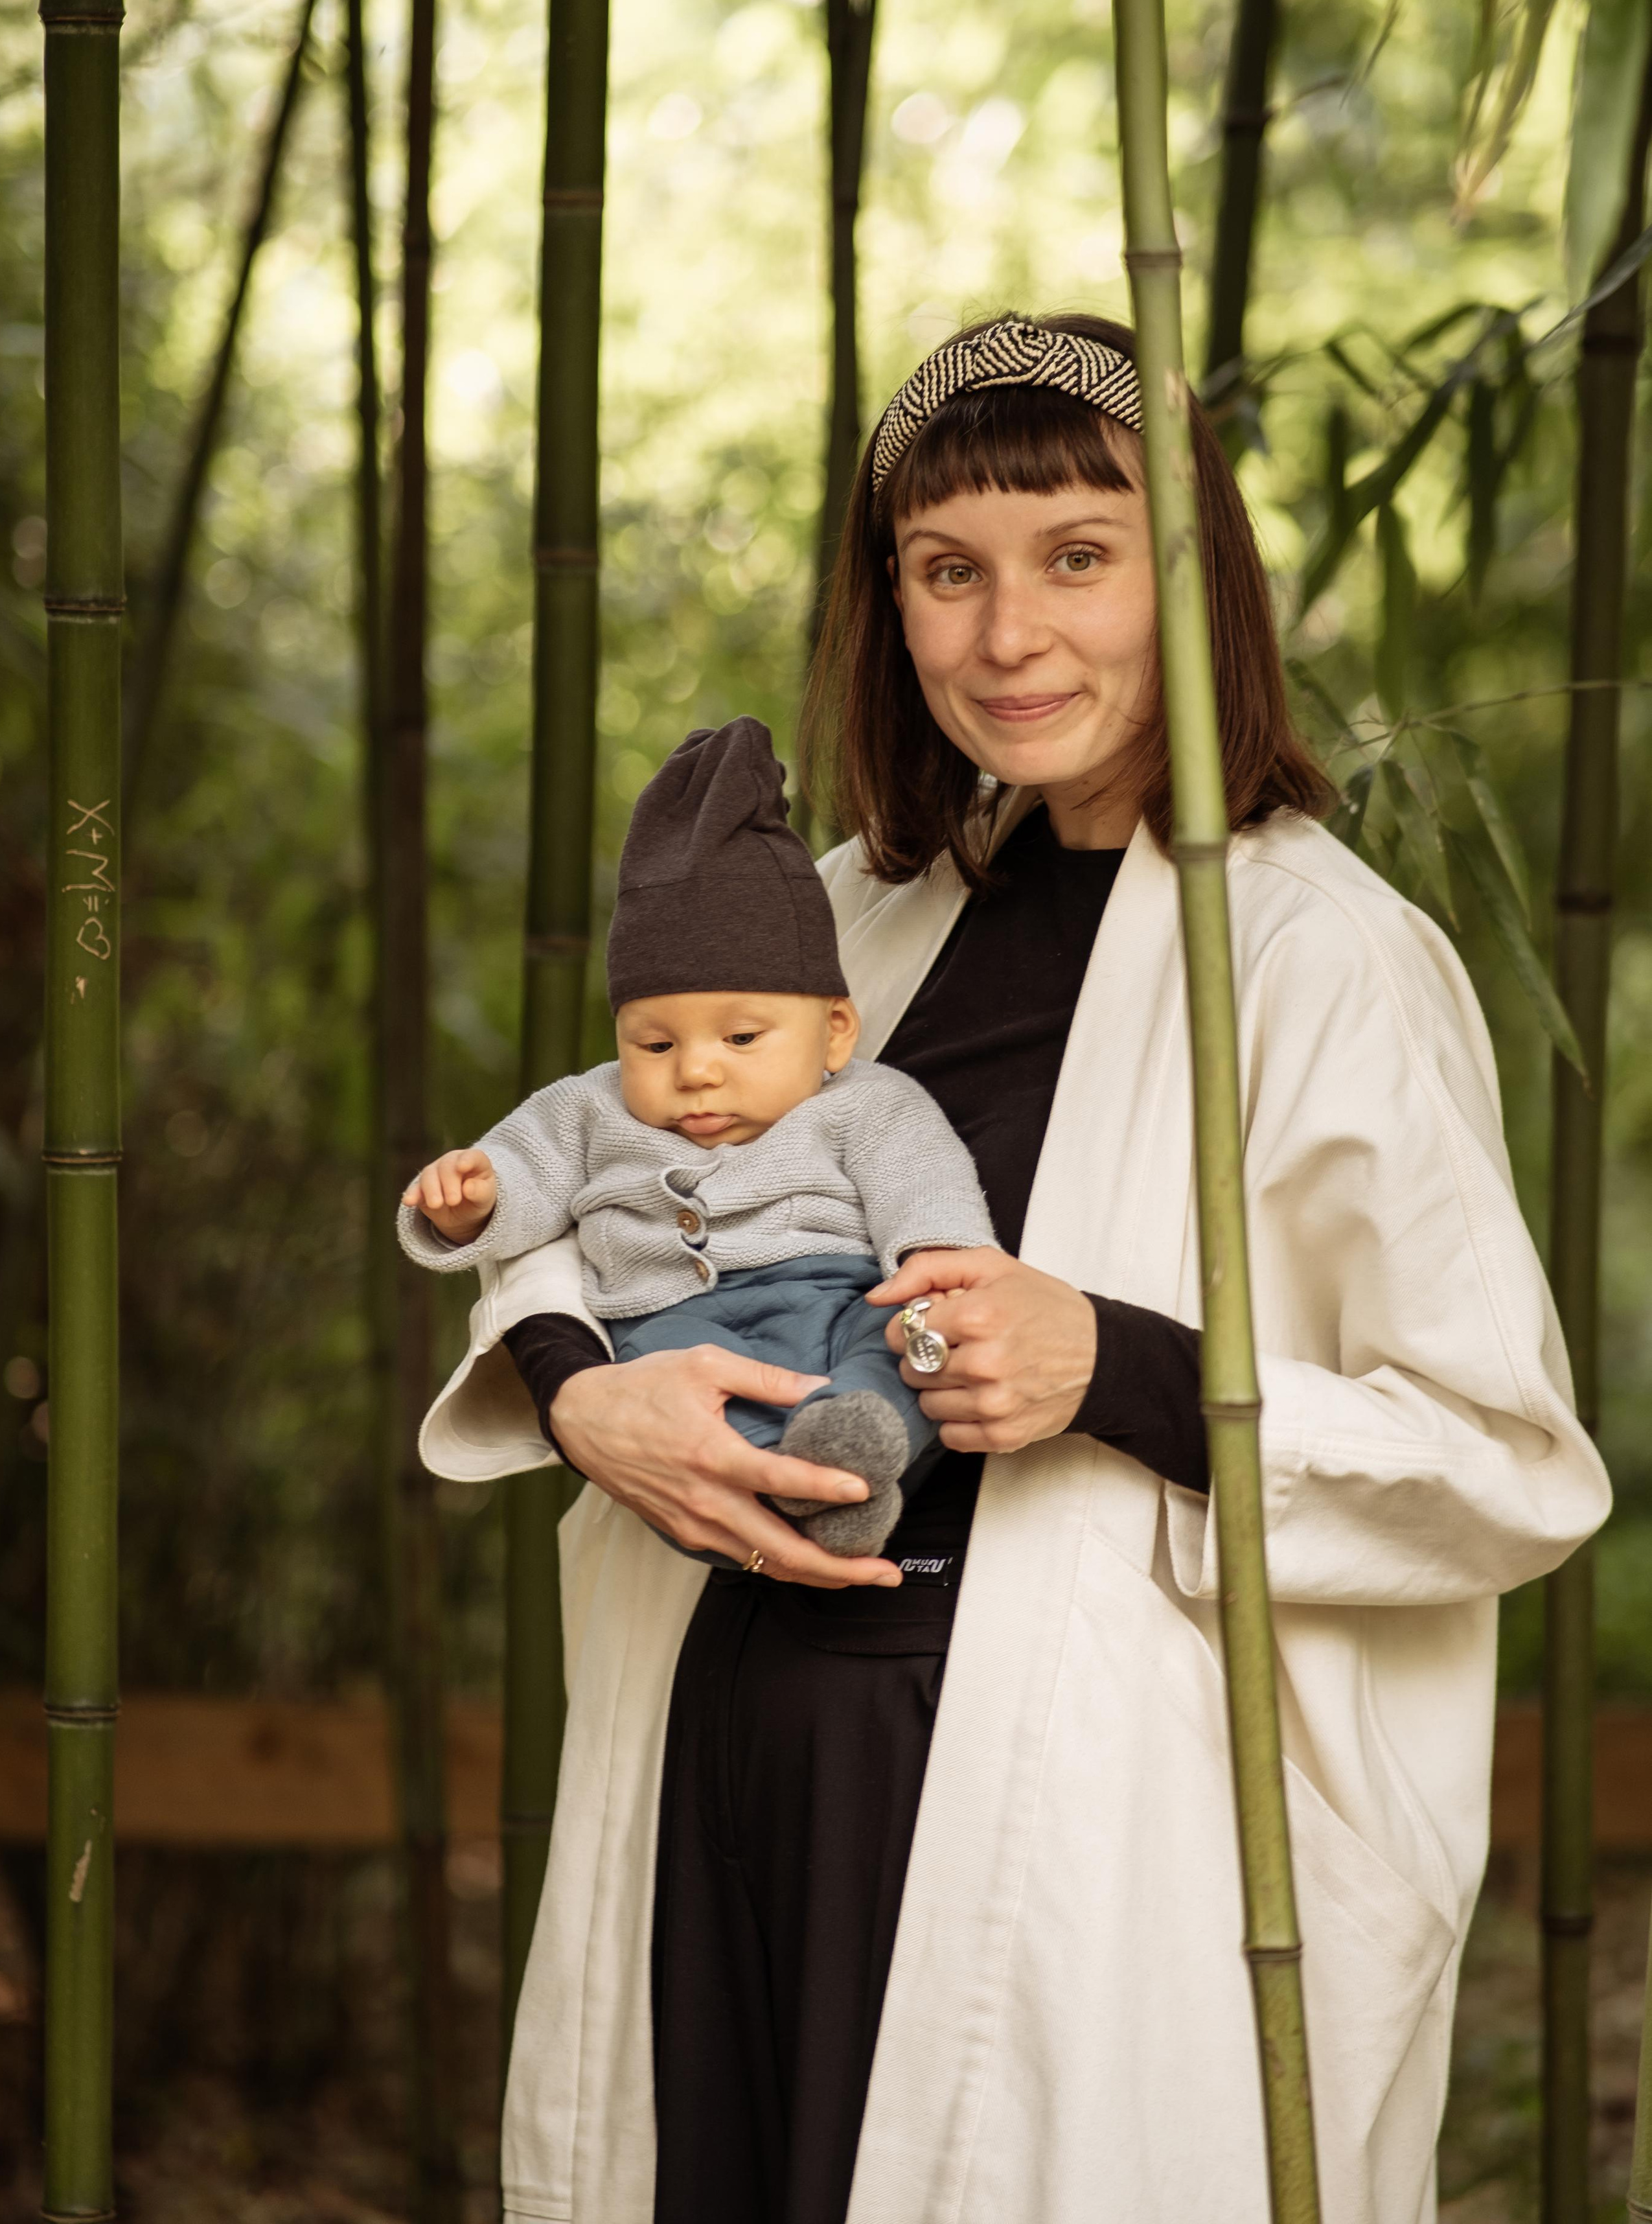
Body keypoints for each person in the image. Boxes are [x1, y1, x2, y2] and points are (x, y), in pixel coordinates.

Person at [417, 310, 1611, 2224]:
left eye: (1079, 558)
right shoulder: (840, 922)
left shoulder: (1318, 959)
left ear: (1195, 575)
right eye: (945, 572)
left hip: (1071, 1829)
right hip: (732, 1755)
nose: (1006, 637)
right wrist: (587, 1392)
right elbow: (571, 1192)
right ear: (888, 602)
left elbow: (1505, 1462)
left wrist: (1118, 1365)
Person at [396, 715, 995, 1557]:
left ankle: (850, 1455)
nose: (697, 1072)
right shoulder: (589, 1108)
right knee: (679, 1414)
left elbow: (923, 1182)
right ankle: (774, 1499)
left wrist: (936, 1254)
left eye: (741, 1039)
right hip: (666, 1315)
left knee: (898, 1351)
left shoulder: (867, 1103)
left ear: (833, 1031)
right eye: (656, 1043)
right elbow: (525, 1174)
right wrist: (473, 1202)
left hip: (838, 1294)